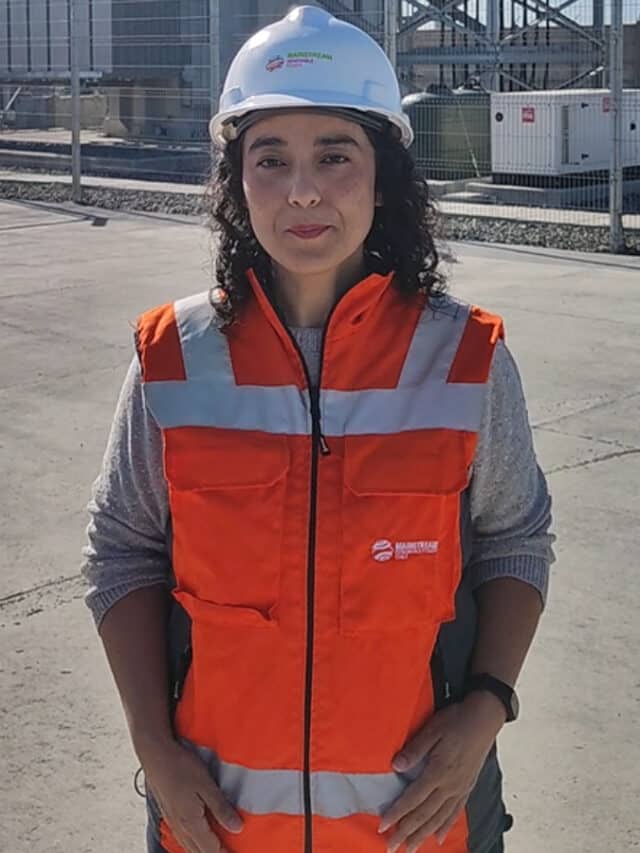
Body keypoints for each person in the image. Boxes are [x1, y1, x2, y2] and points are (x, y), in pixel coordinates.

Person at [82, 6, 555, 853]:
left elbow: (515, 538)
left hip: (420, 828)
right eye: (272, 159)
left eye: (334, 155)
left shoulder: (466, 358)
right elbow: (122, 552)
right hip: (218, 827)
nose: (303, 189)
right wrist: (153, 747)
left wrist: (487, 704)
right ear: (239, 183)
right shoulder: (171, 358)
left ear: (383, 178)